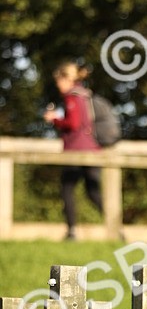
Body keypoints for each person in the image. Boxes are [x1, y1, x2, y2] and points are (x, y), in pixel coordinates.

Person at [43, 61, 103, 240]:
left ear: (65, 79)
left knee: (67, 189)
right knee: (93, 192)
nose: (58, 86)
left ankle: (72, 231)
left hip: (77, 151)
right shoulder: (86, 95)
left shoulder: (72, 97)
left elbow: (73, 123)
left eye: (59, 82)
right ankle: (117, 227)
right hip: (93, 149)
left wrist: (55, 119)